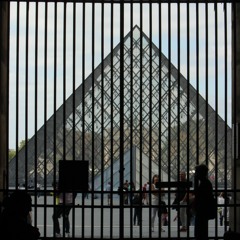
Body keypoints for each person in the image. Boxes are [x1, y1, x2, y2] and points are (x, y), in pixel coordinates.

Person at [194, 164, 214, 240]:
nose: (195, 174)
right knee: (202, 231)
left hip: (202, 211)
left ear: (200, 173)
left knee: (200, 232)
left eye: (196, 172)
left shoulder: (204, 184)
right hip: (203, 211)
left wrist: (195, 182)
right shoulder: (206, 183)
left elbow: (198, 194)